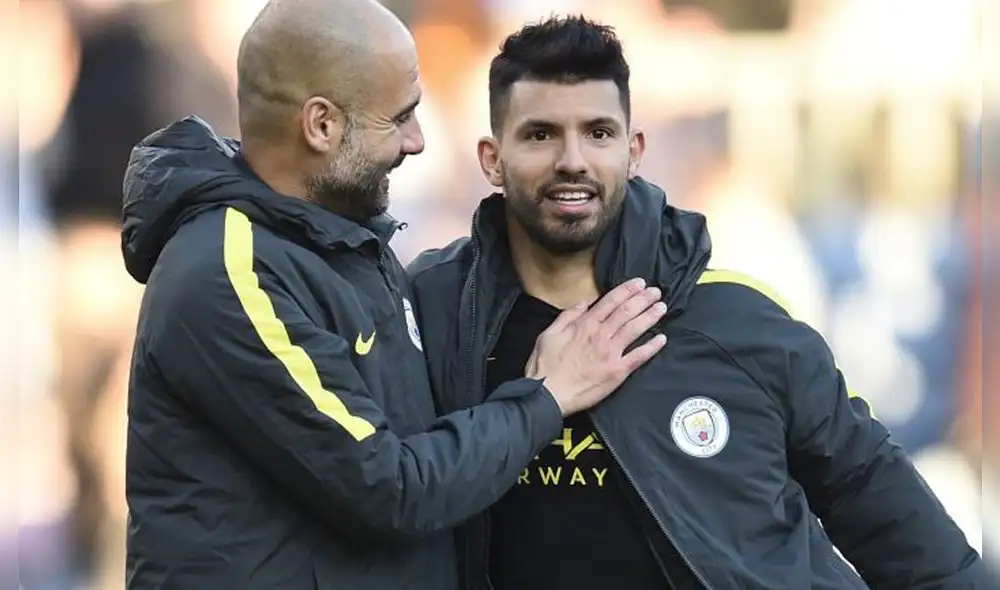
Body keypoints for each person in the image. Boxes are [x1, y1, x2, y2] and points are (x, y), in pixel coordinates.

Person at [407, 15, 986, 590]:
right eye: (541, 135)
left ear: (634, 151)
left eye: (598, 133)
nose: (573, 160)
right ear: (490, 159)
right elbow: (376, 491)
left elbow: (892, 516)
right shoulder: (433, 317)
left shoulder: (734, 318)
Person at [119, 1, 668, 588]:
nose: (417, 141)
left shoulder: (337, 236)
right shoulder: (231, 274)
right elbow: (389, 487)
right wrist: (547, 393)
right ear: (321, 125)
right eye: (398, 117)